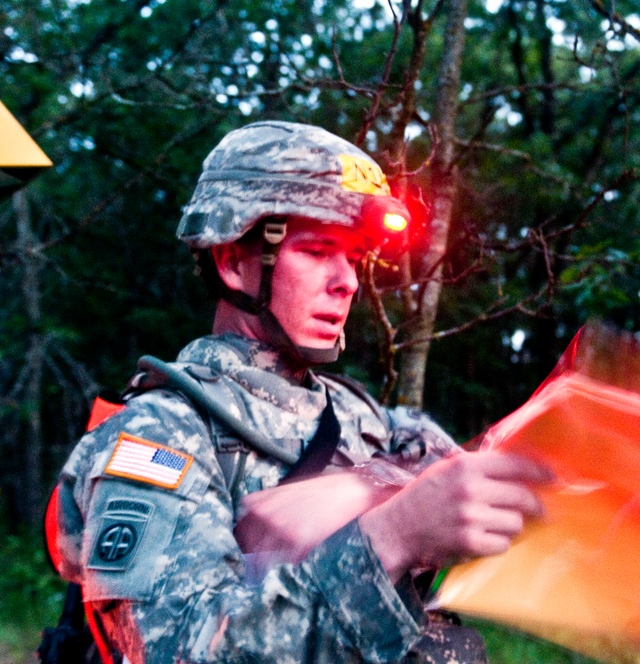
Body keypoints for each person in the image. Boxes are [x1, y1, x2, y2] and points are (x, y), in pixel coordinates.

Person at [50, 120, 552, 663]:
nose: (348, 282)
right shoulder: (158, 437)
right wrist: (394, 535)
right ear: (233, 261)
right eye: (316, 252)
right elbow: (176, 651)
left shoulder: (368, 422)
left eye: (354, 258)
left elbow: (487, 472)